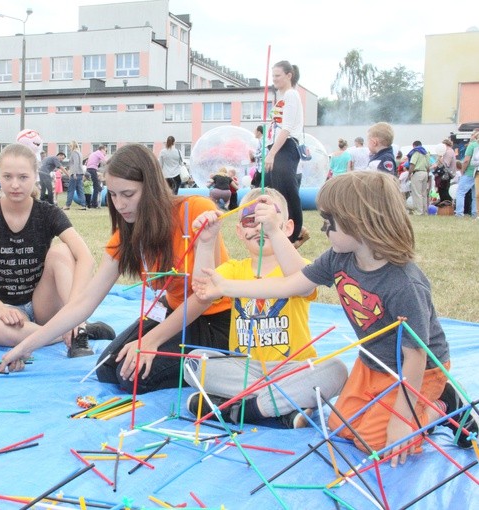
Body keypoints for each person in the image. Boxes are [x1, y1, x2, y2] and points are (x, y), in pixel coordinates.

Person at [192, 171, 476, 464]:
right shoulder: (339, 258)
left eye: (330, 221)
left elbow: (415, 357)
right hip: (373, 364)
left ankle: (444, 406)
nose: (324, 228)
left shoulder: (404, 284)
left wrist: (403, 419)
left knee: (374, 443)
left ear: (360, 224)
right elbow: (291, 284)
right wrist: (225, 286)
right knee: (341, 427)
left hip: (418, 372)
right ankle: (274, 404)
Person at [0, 144, 234, 396]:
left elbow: (204, 296)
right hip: (173, 312)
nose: (120, 204)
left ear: (151, 187)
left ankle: (216, 366)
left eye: (128, 194)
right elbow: (85, 301)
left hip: (215, 320)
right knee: (108, 368)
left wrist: (150, 341)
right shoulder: (128, 232)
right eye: (112, 194)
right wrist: (27, 345)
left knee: (134, 378)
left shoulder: (195, 211)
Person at [185, 188, 348, 428]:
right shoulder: (234, 269)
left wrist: (273, 229)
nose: (260, 227)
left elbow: (300, 283)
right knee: (193, 362)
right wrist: (207, 243)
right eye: (250, 221)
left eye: (268, 219)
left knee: (336, 370)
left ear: (288, 227)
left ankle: (242, 409)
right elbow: (203, 288)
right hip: (244, 368)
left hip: (292, 368)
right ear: (239, 231)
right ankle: (282, 408)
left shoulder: (298, 266)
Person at [0, 143, 112, 353]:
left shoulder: (48, 213)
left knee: (62, 251)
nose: (15, 184)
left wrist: (75, 310)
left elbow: (86, 258)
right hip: (4, 309)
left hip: (43, 302)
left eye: (23, 177)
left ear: (35, 176)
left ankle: (74, 323)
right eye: (7, 177)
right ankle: (71, 331)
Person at [264, 61, 306, 248]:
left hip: (286, 146)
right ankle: (285, 230)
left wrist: (272, 153)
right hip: (277, 145)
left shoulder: (291, 95)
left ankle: (295, 233)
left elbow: (287, 128)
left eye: (278, 75)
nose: (274, 79)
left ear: (289, 75)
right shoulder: (281, 96)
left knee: (287, 191)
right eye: (272, 76)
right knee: (277, 190)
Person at [456, 130, 478, 218]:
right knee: (475, 195)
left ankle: (459, 213)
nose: (471, 136)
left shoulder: (471, 145)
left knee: (460, 192)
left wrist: (462, 170)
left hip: (469, 172)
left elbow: (466, 160)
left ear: (475, 136)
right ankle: (475, 213)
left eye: (472, 134)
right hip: (477, 173)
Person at [407, 141, 430, 215]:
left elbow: (412, 164)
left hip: (417, 173)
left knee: (417, 193)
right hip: (425, 172)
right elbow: (428, 166)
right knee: (424, 194)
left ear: (414, 145)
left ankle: (418, 212)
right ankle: (424, 211)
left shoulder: (416, 152)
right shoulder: (426, 153)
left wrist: (409, 173)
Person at [433, 139, 457, 204]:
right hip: (448, 174)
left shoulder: (448, 152)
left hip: (445, 175)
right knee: (443, 190)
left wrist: (440, 160)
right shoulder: (451, 151)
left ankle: (447, 204)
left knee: (443, 190)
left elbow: (446, 164)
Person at [64, 141, 86, 210]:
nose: (69, 148)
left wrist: (74, 173)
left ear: (72, 146)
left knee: (71, 190)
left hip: (75, 174)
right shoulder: (79, 153)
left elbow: (76, 163)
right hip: (80, 173)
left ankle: (67, 205)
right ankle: (83, 205)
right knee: (80, 190)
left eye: (70, 146)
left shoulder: (74, 153)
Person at [86, 144, 108, 209]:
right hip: (92, 170)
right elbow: (105, 161)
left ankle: (90, 202)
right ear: (102, 149)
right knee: (96, 187)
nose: (105, 152)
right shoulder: (99, 153)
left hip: (88, 169)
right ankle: (94, 204)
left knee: (93, 186)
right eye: (105, 151)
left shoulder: (94, 153)